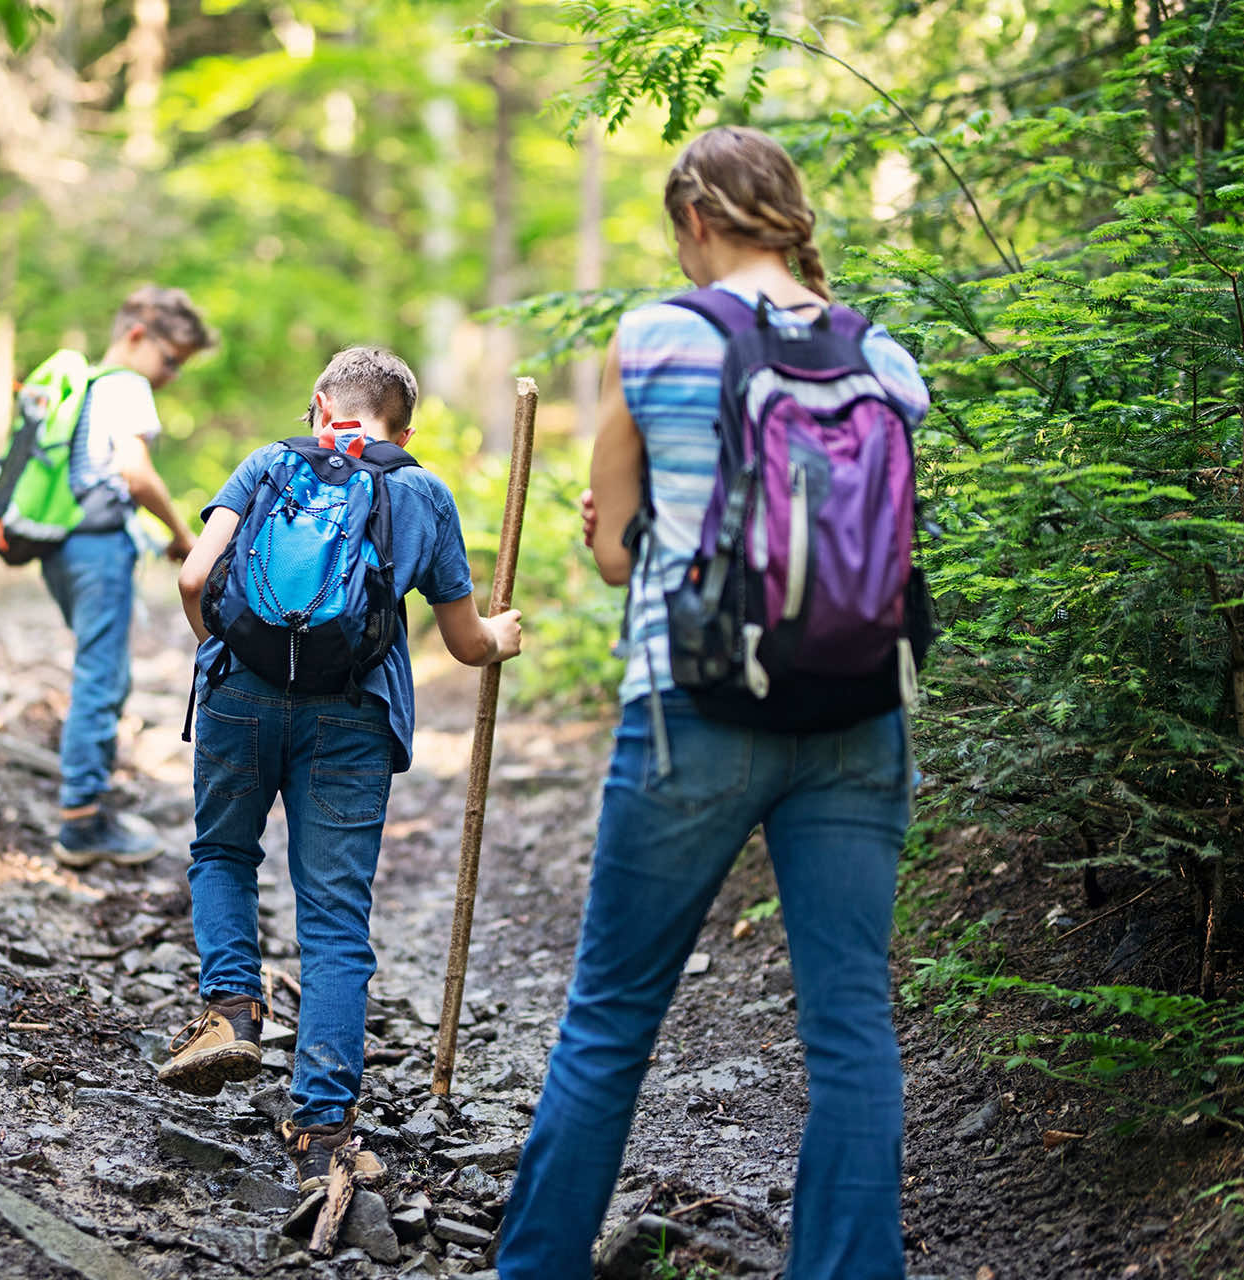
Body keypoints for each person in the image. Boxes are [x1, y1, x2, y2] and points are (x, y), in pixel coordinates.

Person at [494, 126, 930, 1279]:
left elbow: (617, 555)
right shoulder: (884, 358)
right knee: (850, 1031)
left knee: (610, 1016)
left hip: (692, 711)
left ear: (694, 219)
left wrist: (615, 523)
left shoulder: (655, 337)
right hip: (859, 714)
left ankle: (535, 1267)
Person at [164, 347, 524, 1192]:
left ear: (320, 405)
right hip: (353, 716)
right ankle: (321, 1126)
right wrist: (503, 637)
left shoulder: (265, 465)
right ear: (405, 427)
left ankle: (231, 1007)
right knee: (333, 918)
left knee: (222, 853)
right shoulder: (423, 491)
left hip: (238, 698)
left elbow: (193, 574)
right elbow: (466, 642)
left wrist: (230, 653)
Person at [45, 286, 214, 868]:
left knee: (99, 670)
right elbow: (134, 471)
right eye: (170, 360)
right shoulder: (126, 385)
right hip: (99, 547)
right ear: (138, 336)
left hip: (64, 545)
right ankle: (82, 820)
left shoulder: (87, 385)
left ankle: (87, 802)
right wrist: (181, 532)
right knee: (103, 677)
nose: (171, 374)